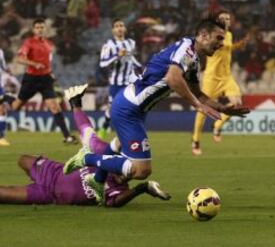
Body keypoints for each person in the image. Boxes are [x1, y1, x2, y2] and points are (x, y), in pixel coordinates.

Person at [64, 18, 250, 203]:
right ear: (203, 35)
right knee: (141, 170)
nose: (221, 44)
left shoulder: (192, 59)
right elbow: (173, 78)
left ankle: (97, 179)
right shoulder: (186, 50)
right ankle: (88, 158)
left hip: (134, 108)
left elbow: (198, 94)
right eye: (218, 38)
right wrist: (196, 105)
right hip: (128, 108)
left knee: (119, 145)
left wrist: (223, 108)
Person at [0, 85, 170, 206]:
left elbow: (115, 203)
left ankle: (34, 183)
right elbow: (90, 135)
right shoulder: (105, 156)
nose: (125, 177)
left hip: (48, 195)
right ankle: (74, 107)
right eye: (125, 172)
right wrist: (76, 106)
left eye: (129, 177)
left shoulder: (119, 191)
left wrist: (143, 188)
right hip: (53, 171)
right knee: (22, 159)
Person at [0, 18, 77, 144]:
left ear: (45, 29)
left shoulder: (49, 44)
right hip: (31, 79)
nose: (40, 29)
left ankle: (67, 137)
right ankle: (6, 98)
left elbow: (47, 62)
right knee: (16, 106)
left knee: (55, 107)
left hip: (45, 79)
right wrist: (34, 64)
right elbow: (19, 59)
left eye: (42, 27)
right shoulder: (28, 43)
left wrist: (50, 73)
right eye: (38, 27)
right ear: (34, 30)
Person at [192, 11, 249, 155]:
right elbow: (216, 47)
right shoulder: (213, 35)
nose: (226, 20)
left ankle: (217, 125)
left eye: (228, 18)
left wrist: (239, 45)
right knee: (202, 110)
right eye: (223, 18)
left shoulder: (229, 35)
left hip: (226, 77)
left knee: (236, 104)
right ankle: (196, 140)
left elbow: (228, 47)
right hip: (211, 78)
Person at [97, 18, 142, 140]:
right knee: (112, 109)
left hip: (129, 82)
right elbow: (102, 63)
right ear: (113, 30)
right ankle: (104, 127)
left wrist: (141, 68)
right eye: (116, 26)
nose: (119, 28)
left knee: (130, 108)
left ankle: (127, 134)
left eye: (121, 25)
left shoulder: (131, 43)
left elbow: (132, 59)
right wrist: (117, 55)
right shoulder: (109, 45)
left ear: (125, 28)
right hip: (116, 83)